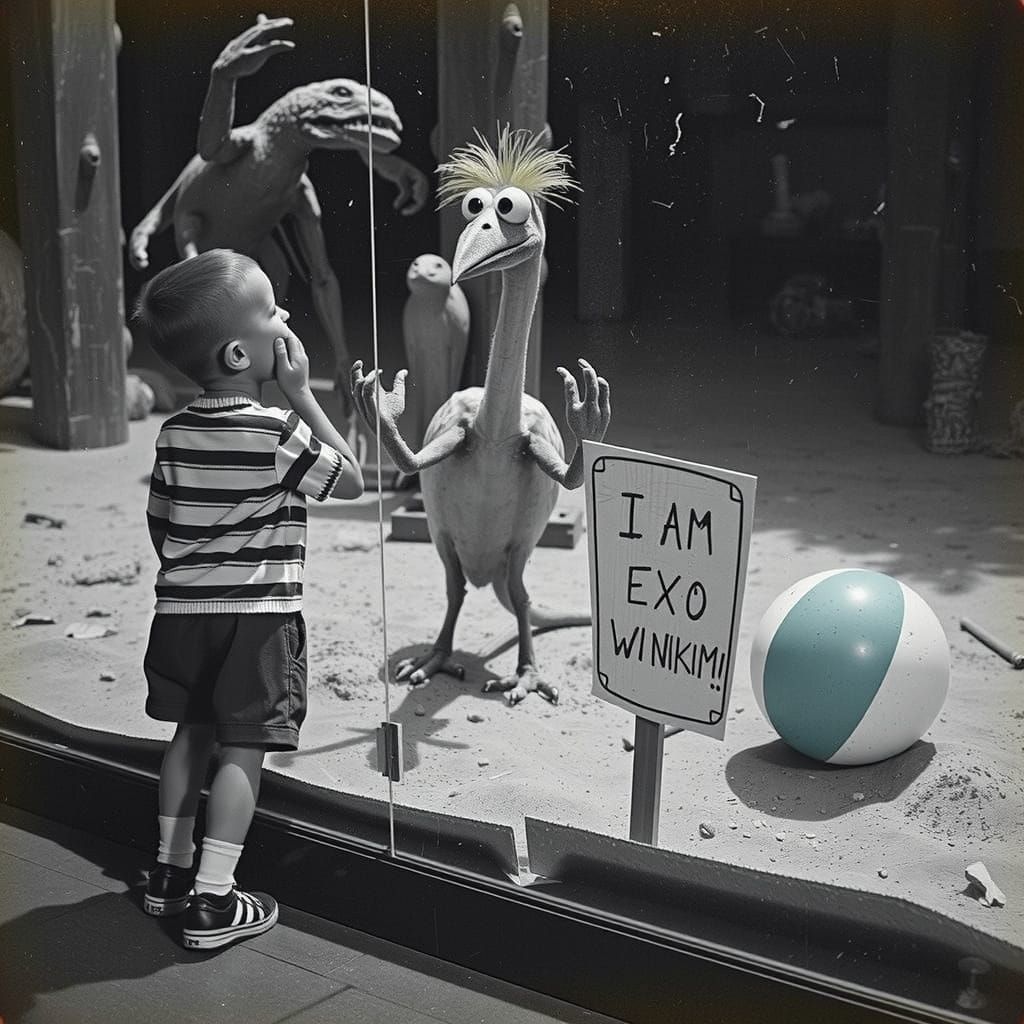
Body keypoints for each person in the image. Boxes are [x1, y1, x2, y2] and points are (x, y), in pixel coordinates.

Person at [132, 249, 363, 950]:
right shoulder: (275, 432)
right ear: (240, 352)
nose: (285, 318)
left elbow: (160, 525)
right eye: (272, 311)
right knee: (243, 749)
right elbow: (350, 480)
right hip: (256, 623)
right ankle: (213, 899)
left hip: (178, 617)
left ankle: (168, 875)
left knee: (188, 735)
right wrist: (302, 393)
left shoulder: (172, 433)